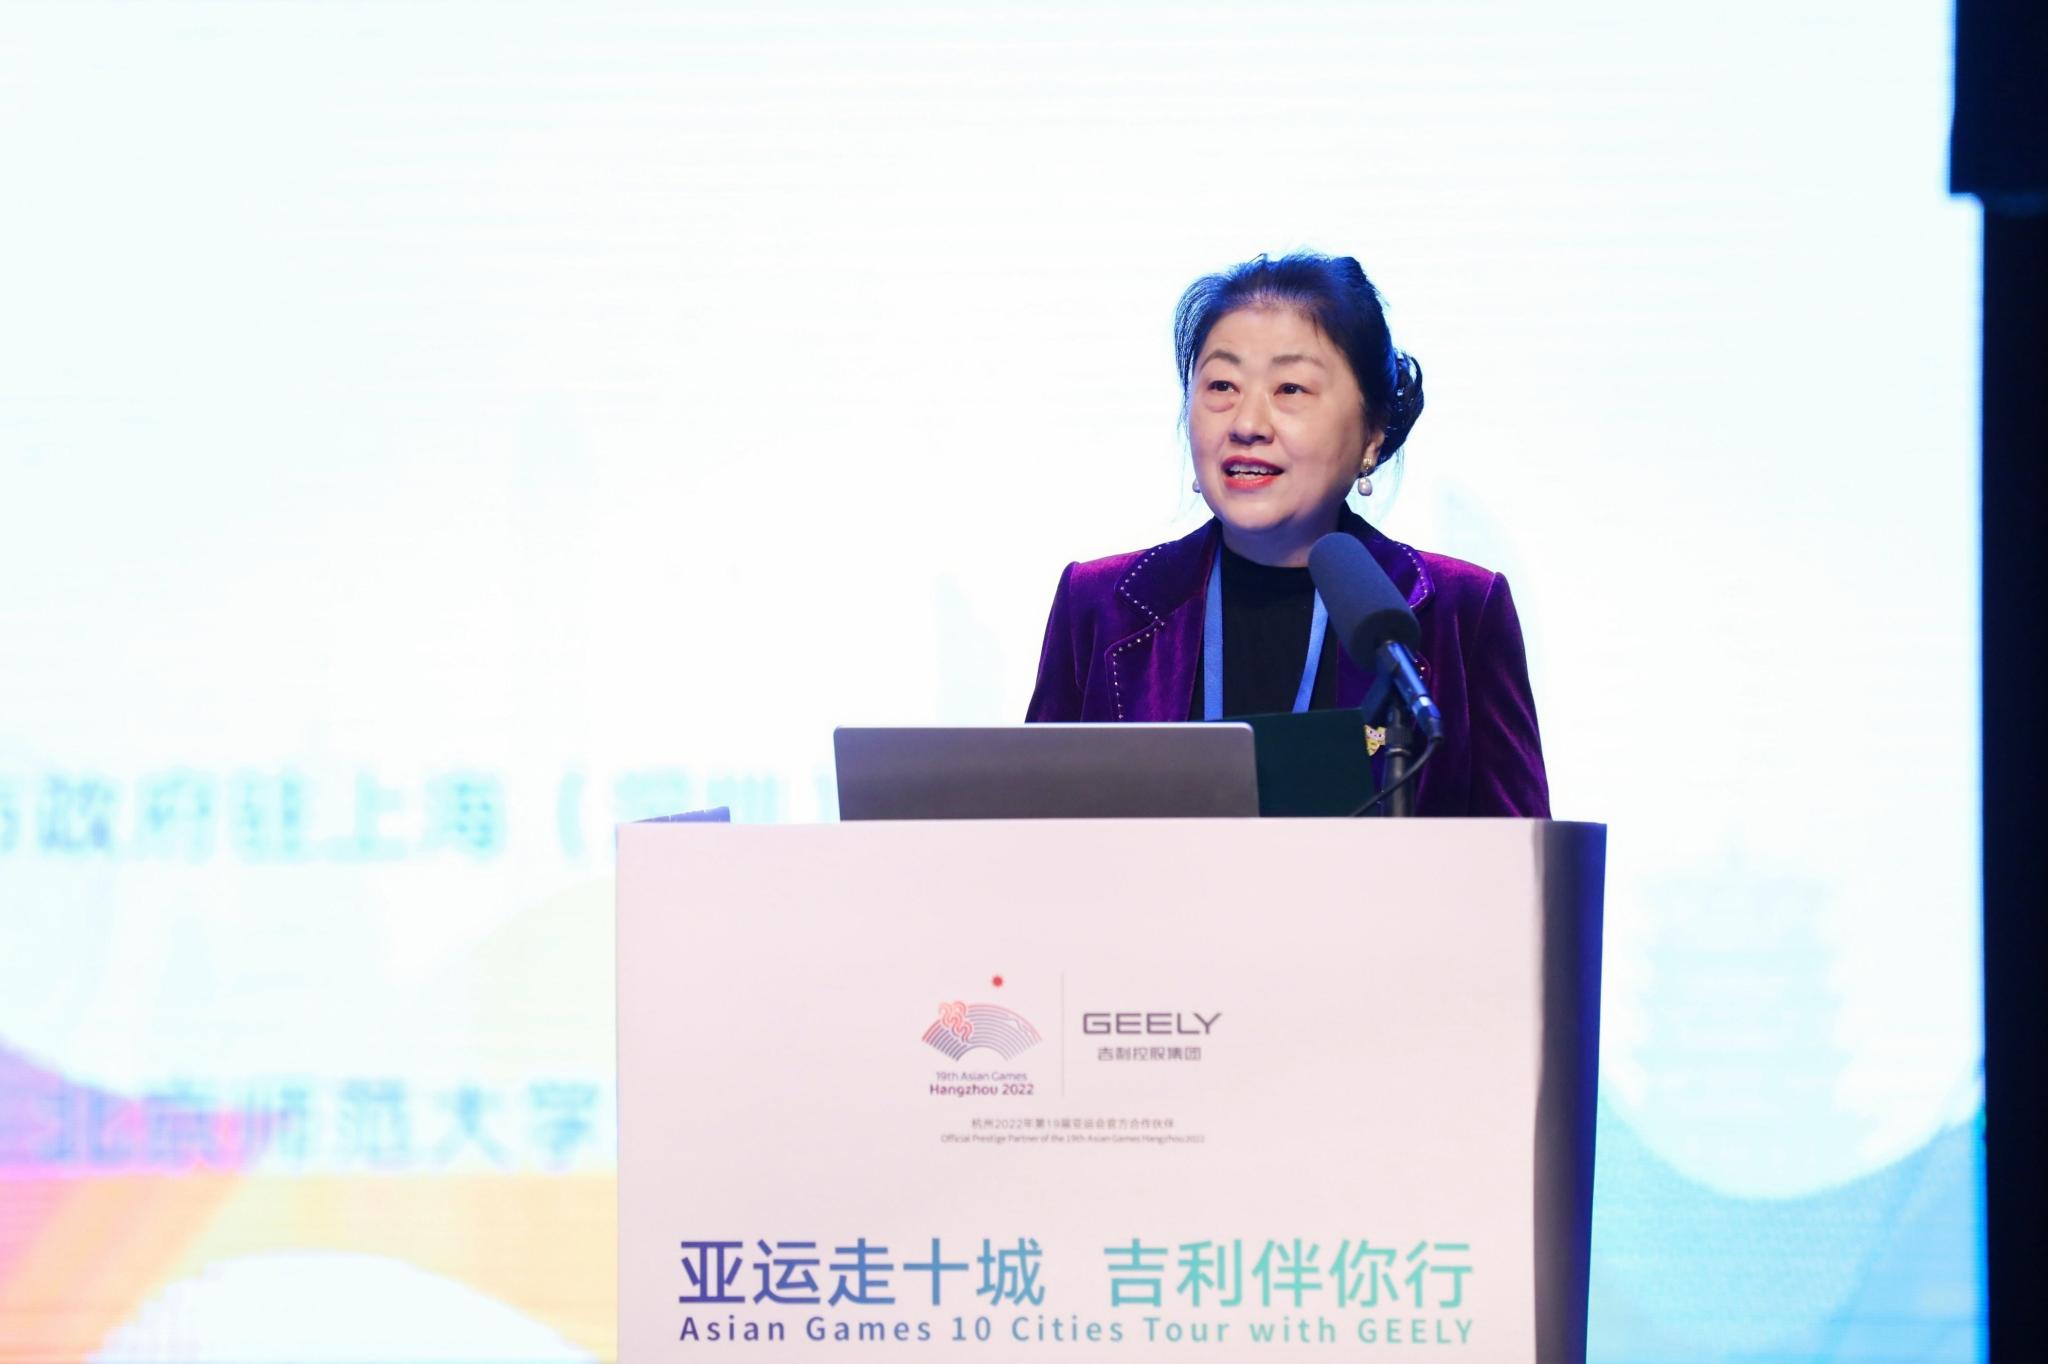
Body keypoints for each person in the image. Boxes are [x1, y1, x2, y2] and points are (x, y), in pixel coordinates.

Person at [1024, 252, 1549, 817]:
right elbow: (1028, 838)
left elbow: (1521, 857)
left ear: (1373, 433)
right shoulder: (1099, 605)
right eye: (1221, 385)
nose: (1247, 424)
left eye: (1291, 389)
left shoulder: (1459, 611)